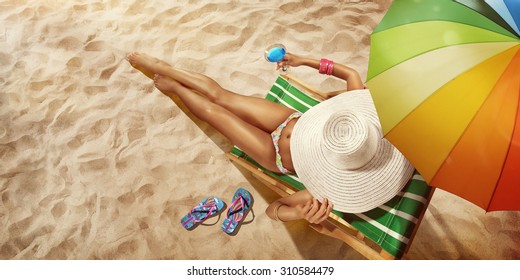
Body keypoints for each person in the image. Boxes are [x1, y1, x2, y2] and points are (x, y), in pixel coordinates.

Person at [126, 51, 413, 226]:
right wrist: (301, 60)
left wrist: (301, 215)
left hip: (272, 154)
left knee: (215, 112)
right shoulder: (361, 125)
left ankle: (175, 87)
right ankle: (163, 66)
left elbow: (273, 211)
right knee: (222, 95)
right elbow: (349, 72)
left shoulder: (337, 191)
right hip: (291, 120)